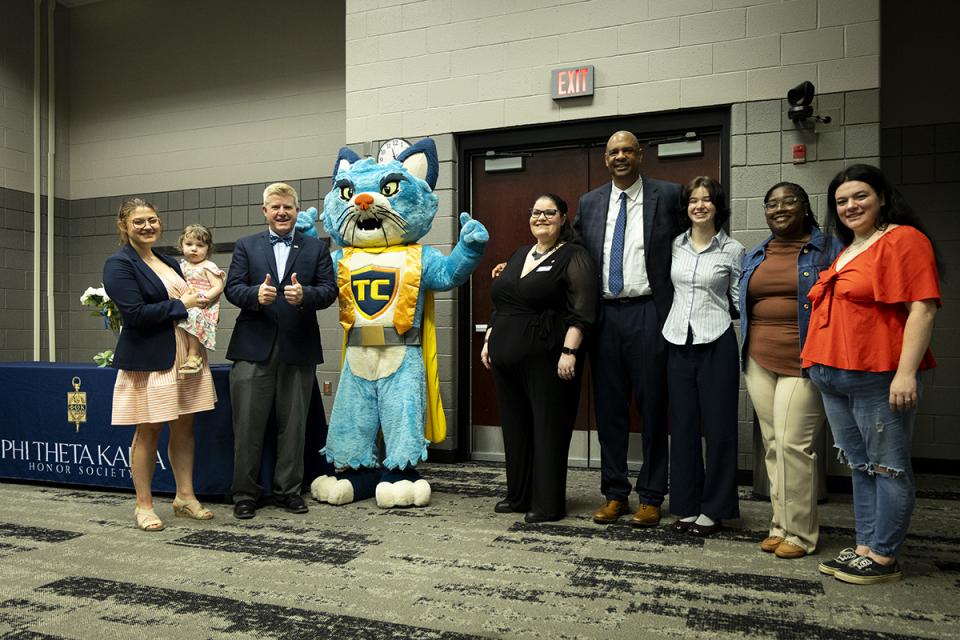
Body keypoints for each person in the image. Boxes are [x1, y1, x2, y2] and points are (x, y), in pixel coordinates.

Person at [803, 164, 941, 585]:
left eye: (860, 196)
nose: (850, 206)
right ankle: (865, 546)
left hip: (877, 375)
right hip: (832, 375)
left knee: (888, 467)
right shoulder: (848, 248)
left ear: (882, 197)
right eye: (842, 201)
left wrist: (905, 374)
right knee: (861, 467)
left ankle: (884, 556)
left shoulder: (903, 239)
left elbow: (923, 307)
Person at [573, 130, 682, 526]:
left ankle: (652, 496)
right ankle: (615, 493)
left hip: (650, 313)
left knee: (653, 407)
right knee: (610, 410)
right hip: (605, 317)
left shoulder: (669, 196)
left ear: (641, 156)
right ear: (605, 159)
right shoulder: (590, 202)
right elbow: (571, 251)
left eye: (627, 151)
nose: (620, 157)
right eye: (613, 152)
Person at [740, 182, 842, 557]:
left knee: (793, 444)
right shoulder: (757, 253)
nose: (779, 208)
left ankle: (801, 533)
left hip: (804, 357)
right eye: (771, 204)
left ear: (805, 206)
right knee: (771, 443)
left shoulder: (828, 248)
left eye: (788, 202)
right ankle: (780, 525)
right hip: (758, 357)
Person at [481, 194, 598, 523]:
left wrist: (570, 351)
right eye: (536, 212)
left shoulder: (575, 257)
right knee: (516, 430)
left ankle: (547, 504)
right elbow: (504, 302)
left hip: (548, 359)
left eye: (550, 212)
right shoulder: (520, 254)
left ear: (563, 218)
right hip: (505, 359)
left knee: (547, 429)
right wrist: (490, 339)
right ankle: (519, 495)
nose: (542, 218)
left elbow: (583, 311)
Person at [225, 182, 337, 520]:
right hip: (252, 348)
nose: (281, 212)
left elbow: (329, 290)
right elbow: (233, 288)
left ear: (296, 210)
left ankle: (288, 490)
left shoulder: (316, 248)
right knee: (248, 426)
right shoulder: (246, 246)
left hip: (298, 347)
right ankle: (245, 493)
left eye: (287, 207)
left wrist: (306, 297)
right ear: (265, 211)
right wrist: (254, 297)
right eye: (275, 207)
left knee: (294, 425)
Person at [103, 198, 217, 531]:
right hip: (151, 359)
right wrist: (181, 305)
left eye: (152, 219)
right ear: (123, 225)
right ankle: (144, 505)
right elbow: (135, 315)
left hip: (185, 354)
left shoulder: (168, 260)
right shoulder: (118, 264)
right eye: (139, 221)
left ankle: (185, 497)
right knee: (149, 428)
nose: (148, 226)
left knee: (184, 427)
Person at [661, 176, 744, 536]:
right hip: (677, 341)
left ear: (717, 206)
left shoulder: (734, 249)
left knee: (719, 428)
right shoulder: (673, 245)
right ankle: (687, 505)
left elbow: (740, 300)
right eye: (693, 200)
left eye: (707, 200)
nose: (699, 205)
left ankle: (715, 508)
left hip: (716, 341)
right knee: (682, 428)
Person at [176, 224, 225, 374]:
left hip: (203, 304)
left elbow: (218, 286)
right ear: (181, 245)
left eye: (200, 245)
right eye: (189, 244)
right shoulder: (181, 266)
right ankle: (183, 355)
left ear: (208, 249)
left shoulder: (208, 266)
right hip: (185, 302)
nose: (194, 249)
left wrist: (205, 297)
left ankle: (194, 355)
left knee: (194, 316)